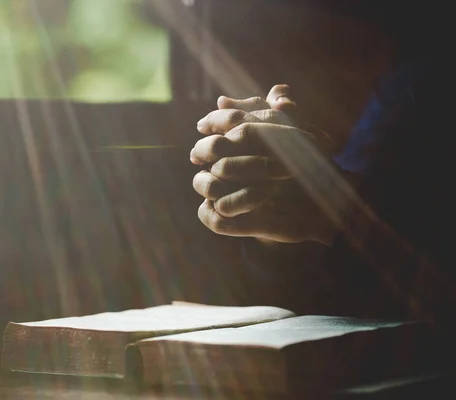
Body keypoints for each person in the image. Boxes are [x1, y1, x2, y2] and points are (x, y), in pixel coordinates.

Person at [189, 5, 456, 339]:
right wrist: (273, 224)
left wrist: (336, 206)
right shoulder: (386, 95)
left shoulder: (424, 84)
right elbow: (340, 291)